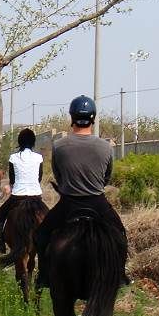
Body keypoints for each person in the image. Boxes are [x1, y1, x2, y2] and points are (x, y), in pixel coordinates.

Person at [34, 95, 129, 289]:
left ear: (72, 117)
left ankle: (44, 275)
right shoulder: (105, 147)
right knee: (120, 234)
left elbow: (58, 175)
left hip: (68, 203)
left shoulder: (59, 146)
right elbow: (107, 177)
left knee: (41, 234)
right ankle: (120, 274)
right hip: (97, 202)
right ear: (93, 118)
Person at [0, 128, 43, 253]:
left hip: (18, 197)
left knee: (0, 214)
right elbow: (40, 177)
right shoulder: (39, 157)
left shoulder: (13, 157)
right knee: (49, 218)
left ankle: (1, 244)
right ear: (33, 142)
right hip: (36, 197)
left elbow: (12, 179)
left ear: (20, 142)